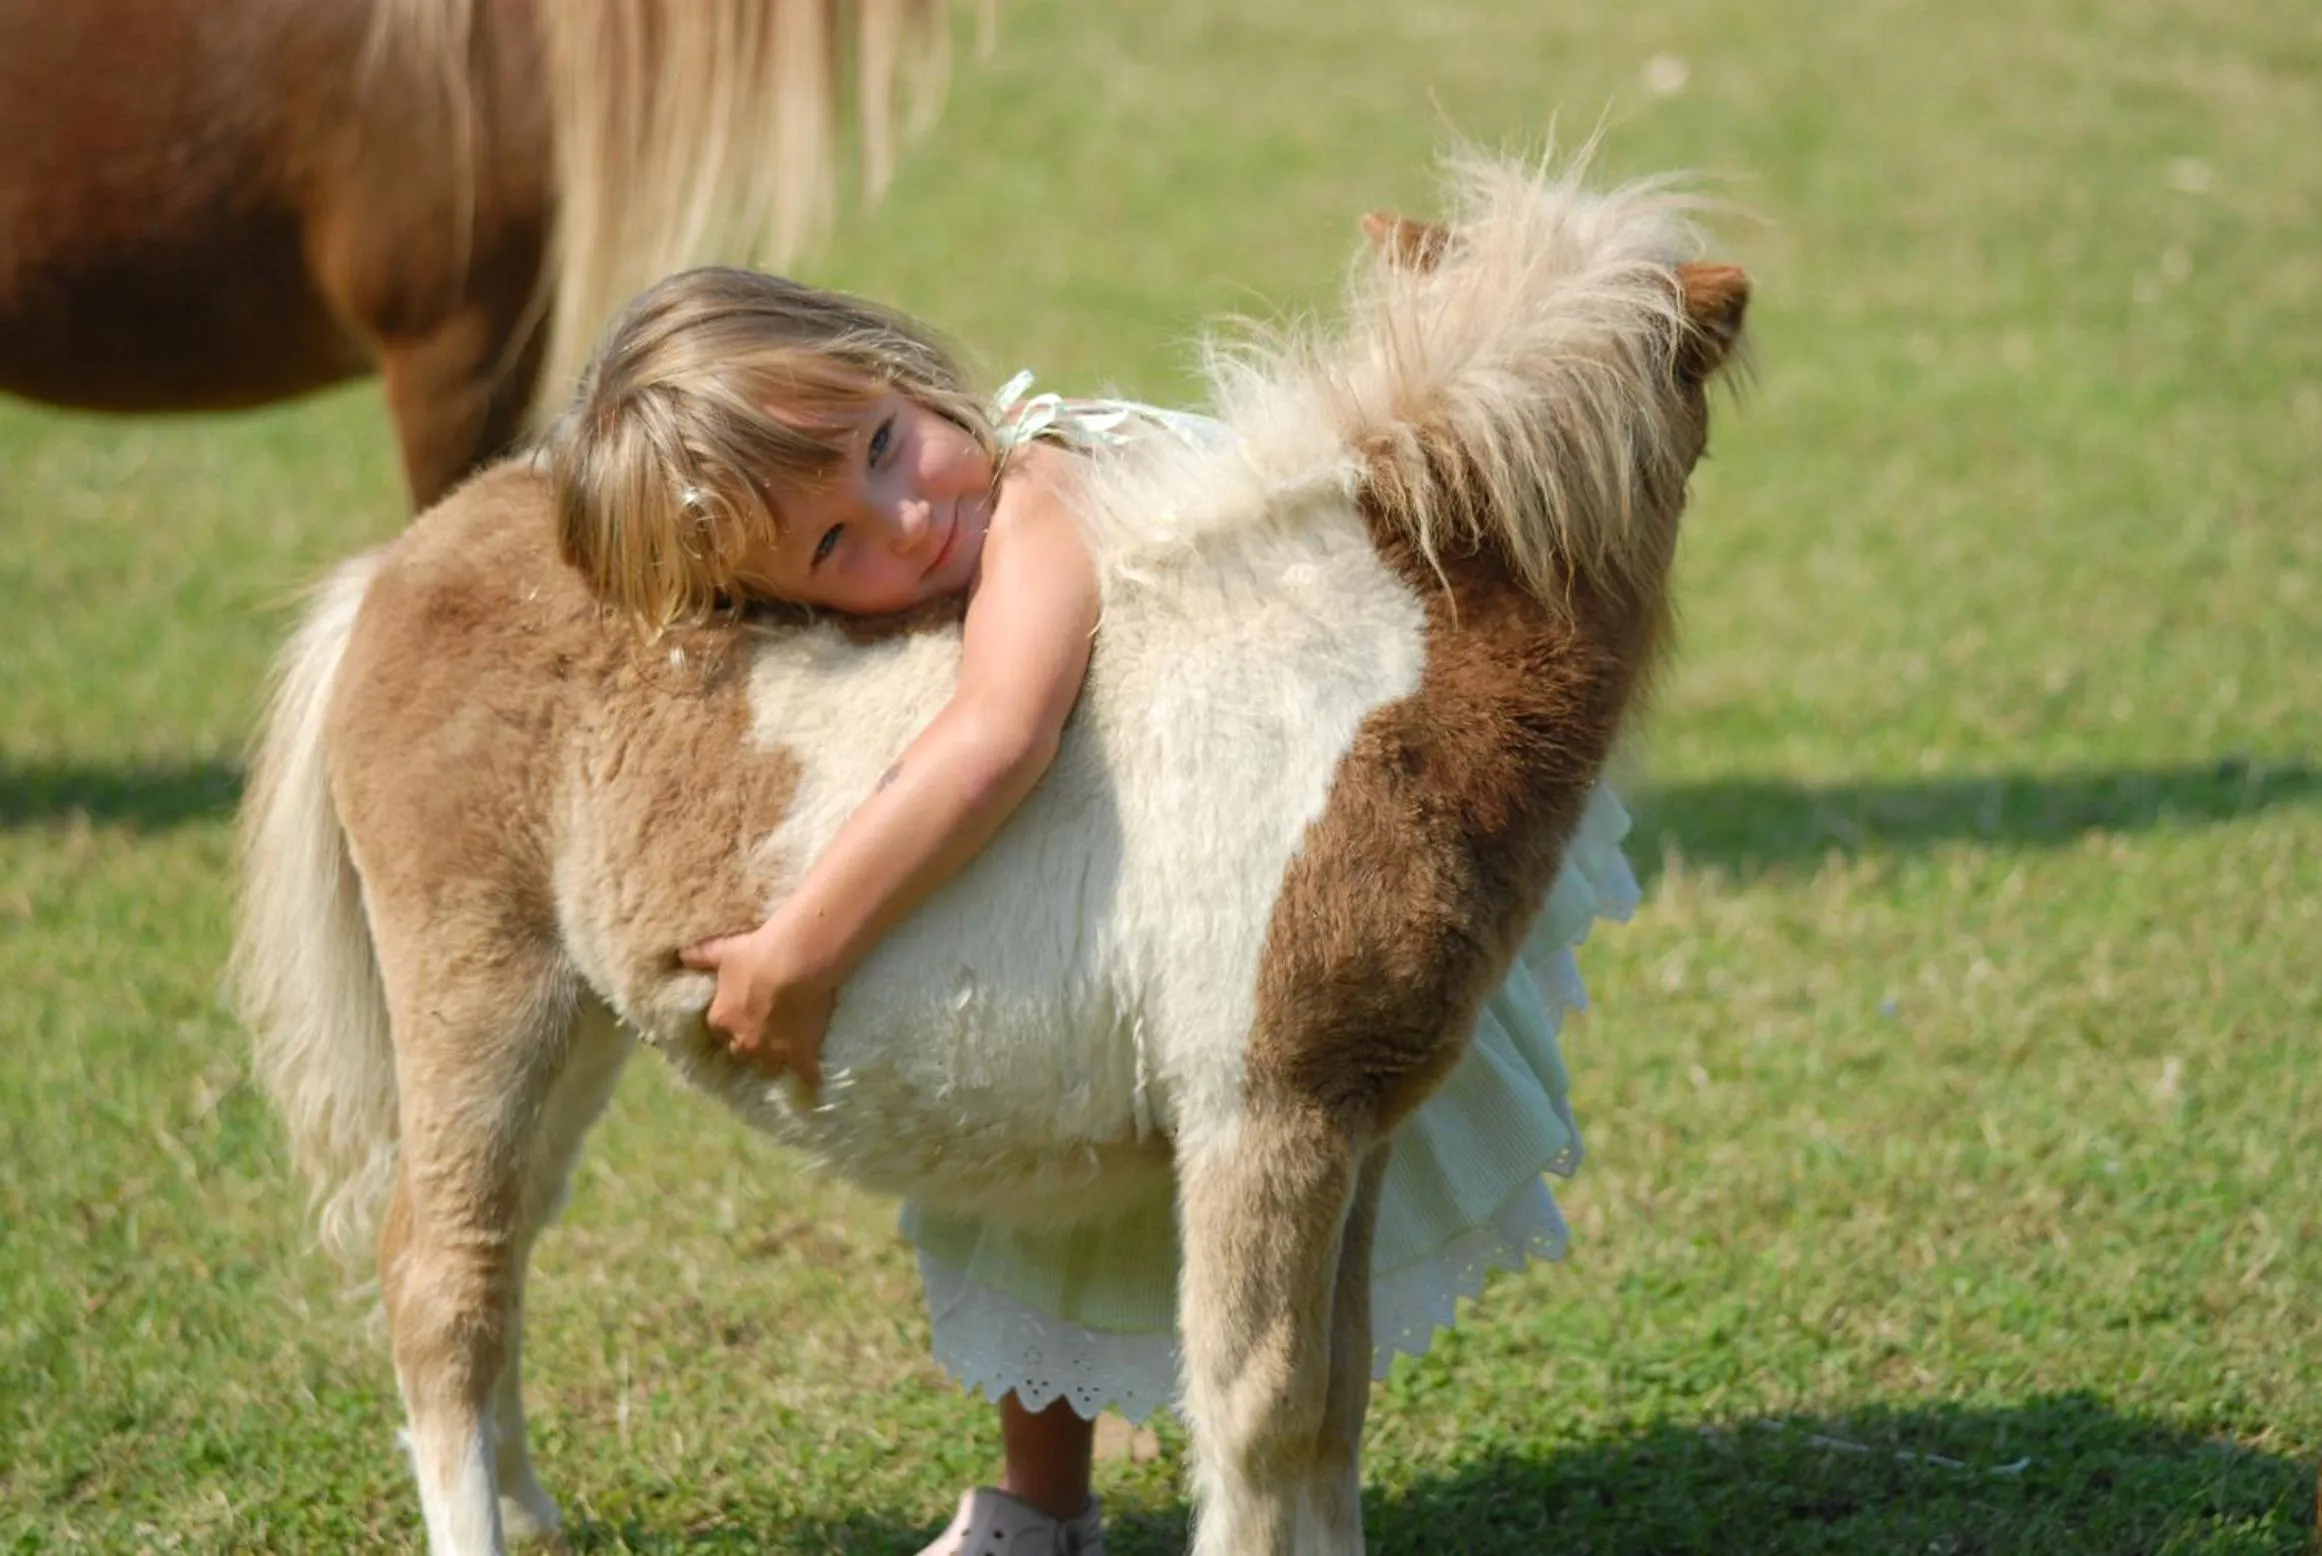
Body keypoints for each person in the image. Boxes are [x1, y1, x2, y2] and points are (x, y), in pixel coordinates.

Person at [551, 265, 1641, 1556]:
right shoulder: (950, 522)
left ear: (896, 365)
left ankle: (1231, 1490)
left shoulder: (1039, 499)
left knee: (1241, 1171)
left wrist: (804, 943)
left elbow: (995, 737)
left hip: (1258, 848)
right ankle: (1051, 1501)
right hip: (1126, 857)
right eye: (830, 547)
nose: (902, 521)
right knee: (1028, 1198)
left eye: (885, 447)